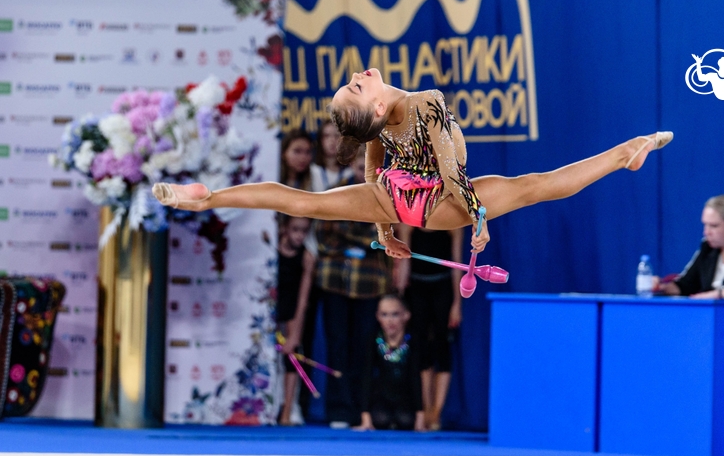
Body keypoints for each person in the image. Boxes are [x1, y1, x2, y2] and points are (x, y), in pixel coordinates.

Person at [152, 68, 673, 258]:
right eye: (357, 88)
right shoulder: (425, 103)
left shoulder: (379, 125)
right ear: (377, 109)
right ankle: (625, 152)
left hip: (396, 196)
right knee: (537, 185)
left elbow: (371, 174)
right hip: (438, 201)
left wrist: (385, 230)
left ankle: (208, 198)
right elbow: (450, 172)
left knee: (302, 203)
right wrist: (478, 218)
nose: (358, 75)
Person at [314, 149, 393, 428]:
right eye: (361, 167)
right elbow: (323, 236)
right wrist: (362, 240)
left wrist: (348, 233)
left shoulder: (389, 196)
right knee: (337, 345)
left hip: (370, 283)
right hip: (335, 279)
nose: (365, 173)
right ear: (353, 165)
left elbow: (383, 239)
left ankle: (361, 410)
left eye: (372, 168)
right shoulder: (335, 191)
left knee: (363, 348)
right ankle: (338, 410)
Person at [395, 225, 462, 431]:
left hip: (443, 287)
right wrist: (399, 296)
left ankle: (436, 412)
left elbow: (457, 264)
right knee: (421, 348)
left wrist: (457, 304)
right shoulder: (409, 223)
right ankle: (424, 408)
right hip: (417, 289)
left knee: (442, 348)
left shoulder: (452, 224)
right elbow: (404, 260)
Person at [355, 294, 425, 432]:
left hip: (404, 398)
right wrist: (365, 416)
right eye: (384, 315)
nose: (390, 320)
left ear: (406, 315)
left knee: (406, 421)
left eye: (395, 314)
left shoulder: (412, 340)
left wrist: (420, 415)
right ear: (377, 316)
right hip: (382, 397)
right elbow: (367, 376)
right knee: (380, 420)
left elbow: (415, 376)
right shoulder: (374, 339)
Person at [275, 215, 316, 425]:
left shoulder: (306, 257)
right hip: (270, 309)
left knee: (292, 358)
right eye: (295, 230)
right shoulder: (271, 250)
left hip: (292, 311)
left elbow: (303, 299)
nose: (299, 236)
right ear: (284, 228)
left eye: (304, 231)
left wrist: (296, 333)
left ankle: (287, 411)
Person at [311, 119, 353, 192]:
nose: (332, 140)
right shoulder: (312, 170)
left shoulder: (350, 172)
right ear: (320, 140)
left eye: (337, 136)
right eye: (326, 136)